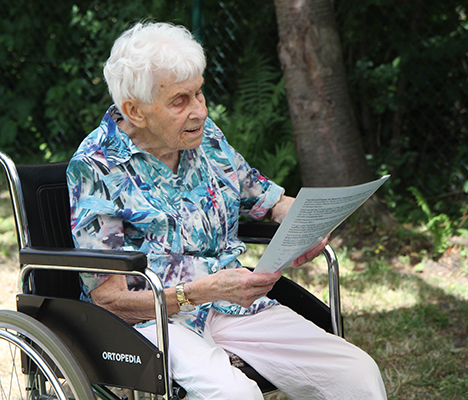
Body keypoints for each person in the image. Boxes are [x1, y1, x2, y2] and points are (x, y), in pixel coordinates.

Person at [67, 21, 387, 400]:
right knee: (235, 395)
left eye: (199, 94)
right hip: (152, 324)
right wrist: (199, 292)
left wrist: (303, 223)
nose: (199, 111)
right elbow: (110, 300)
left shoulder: (206, 139)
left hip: (232, 304)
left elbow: (267, 199)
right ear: (134, 111)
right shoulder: (97, 167)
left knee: (355, 374)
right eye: (179, 101)